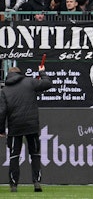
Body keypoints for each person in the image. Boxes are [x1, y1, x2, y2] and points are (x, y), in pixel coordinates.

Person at [0, 64, 54, 192]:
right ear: (20, 73)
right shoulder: (30, 82)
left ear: (8, 76)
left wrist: (1, 130)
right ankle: (37, 182)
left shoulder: (4, 91)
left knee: (14, 156)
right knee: (35, 154)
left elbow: (2, 112)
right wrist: (42, 72)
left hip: (15, 127)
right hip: (31, 125)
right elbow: (48, 84)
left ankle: (14, 185)